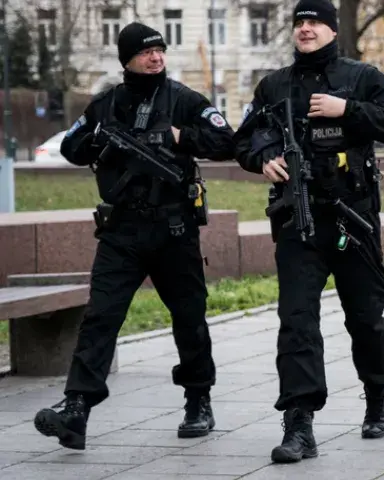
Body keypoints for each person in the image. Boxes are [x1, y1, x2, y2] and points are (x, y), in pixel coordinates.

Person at [31, 22, 236, 450]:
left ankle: (198, 399)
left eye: (160, 50)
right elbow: (72, 147)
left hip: (173, 228)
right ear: (127, 59)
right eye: (146, 52)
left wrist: (181, 137)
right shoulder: (107, 104)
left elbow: (226, 141)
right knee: (100, 317)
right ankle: (76, 409)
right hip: (122, 230)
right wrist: (99, 143)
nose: (156, 57)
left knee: (189, 318)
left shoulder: (184, 100)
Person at [233, 0, 384, 464]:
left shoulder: (363, 77)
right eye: (299, 22)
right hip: (298, 218)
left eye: (314, 22)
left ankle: (377, 392)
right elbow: (244, 136)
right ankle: (299, 424)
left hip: (351, 218)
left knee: (365, 317)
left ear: (333, 30)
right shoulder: (274, 85)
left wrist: (347, 109)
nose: (306, 29)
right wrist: (263, 156)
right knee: (296, 320)